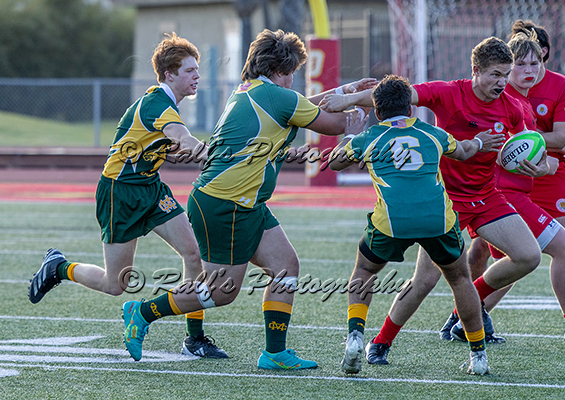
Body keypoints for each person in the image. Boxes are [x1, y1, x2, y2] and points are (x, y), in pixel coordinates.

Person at [119, 29, 376, 368]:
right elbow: (334, 123)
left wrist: (346, 91)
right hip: (226, 203)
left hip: (242, 201)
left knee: (285, 266)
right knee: (221, 291)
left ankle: (275, 353)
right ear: (280, 70)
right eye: (292, 72)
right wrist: (363, 108)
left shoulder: (252, 91)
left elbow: (301, 105)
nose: (294, 79)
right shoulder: (278, 98)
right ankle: (143, 312)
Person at [321, 37, 544, 362]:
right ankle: (381, 343)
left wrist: (536, 166)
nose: (502, 82)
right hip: (445, 202)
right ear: (476, 70)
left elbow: (523, 147)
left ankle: (472, 299)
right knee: (424, 280)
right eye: (495, 74)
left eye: (505, 75)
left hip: (486, 196)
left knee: (529, 257)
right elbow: (396, 96)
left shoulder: (512, 107)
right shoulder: (447, 92)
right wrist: (350, 99)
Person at [27, 33, 229, 360]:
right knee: (115, 284)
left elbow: (162, 146)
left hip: (150, 188)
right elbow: (181, 137)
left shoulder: (167, 105)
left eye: (197, 69)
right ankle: (59, 268)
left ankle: (194, 339)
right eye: (190, 70)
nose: (197, 76)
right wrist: (215, 156)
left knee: (194, 255)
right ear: (169, 75)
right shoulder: (157, 104)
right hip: (119, 193)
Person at [329, 74, 504, 375]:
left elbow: (334, 162)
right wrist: (478, 141)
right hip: (437, 220)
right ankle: (478, 356)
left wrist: (349, 134)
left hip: (392, 222)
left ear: (377, 111)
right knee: (460, 280)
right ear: (410, 109)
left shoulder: (369, 138)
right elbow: (463, 152)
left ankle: (355, 336)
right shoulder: (432, 133)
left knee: (365, 271)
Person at [451, 32, 565, 349]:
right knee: (561, 248)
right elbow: (502, 148)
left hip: (511, 191)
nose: (529, 70)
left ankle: (464, 317)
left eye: (535, 63)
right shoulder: (501, 102)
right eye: (519, 65)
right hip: (501, 195)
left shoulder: (523, 102)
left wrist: (549, 158)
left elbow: (538, 147)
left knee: (525, 259)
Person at [511, 19, 565, 333]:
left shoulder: (561, 86)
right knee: (492, 251)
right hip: (509, 179)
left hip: (551, 175)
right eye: (518, 58)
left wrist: (528, 142)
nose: (525, 65)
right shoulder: (501, 86)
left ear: (544, 52)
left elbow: (560, 137)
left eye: (532, 58)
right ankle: (464, 316)